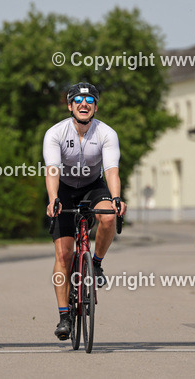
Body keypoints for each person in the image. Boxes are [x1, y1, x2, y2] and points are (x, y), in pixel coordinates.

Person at [44, 82, 127, 341]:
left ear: (95, 106)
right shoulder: (55, 133)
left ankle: (97, 263)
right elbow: (52, 170)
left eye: (89, 100)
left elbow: (111, 170)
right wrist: (54, 199)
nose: (83, 104)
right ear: (70, 106)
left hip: (93, 186)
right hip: (65, 189)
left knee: (108, 215)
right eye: (77, 100)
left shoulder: (106, 133)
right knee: (64, 254)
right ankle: (64, 316)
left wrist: (115, 198)